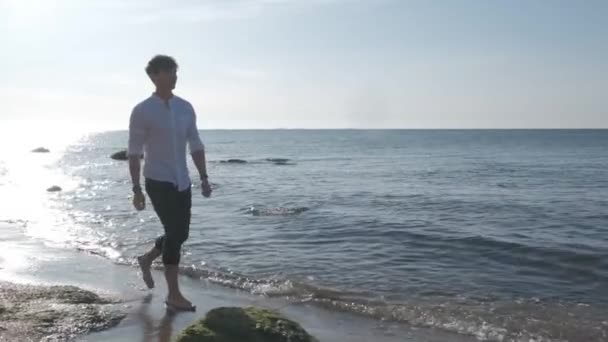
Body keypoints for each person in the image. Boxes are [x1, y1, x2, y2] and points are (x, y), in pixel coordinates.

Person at [128, 55, 212, 311]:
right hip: (157, 180)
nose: (175, 77)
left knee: (181, 233)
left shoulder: (185, 107)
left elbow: (195, 144)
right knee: (175, 235)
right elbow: (133, 151)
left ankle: (147, 259)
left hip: (182, 181)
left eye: (175, 72)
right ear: (155, 76)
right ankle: (173, 295)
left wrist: (204, 177)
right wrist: (136, 189)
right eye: (170, 73)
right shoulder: (142, 110)